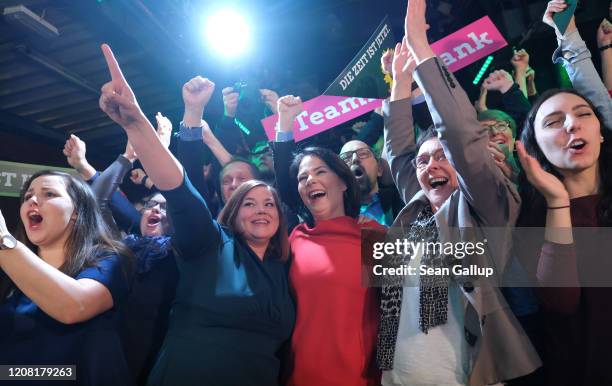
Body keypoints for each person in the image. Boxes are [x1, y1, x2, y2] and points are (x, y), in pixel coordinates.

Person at [97, 44, 295, 386]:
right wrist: (137, 124)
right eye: (248, 203)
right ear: (231, 212)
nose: (261, 209)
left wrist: (285, 125)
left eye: (269, 204)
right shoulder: (210, 243)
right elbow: (179, 187)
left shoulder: (283, 266)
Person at [377, 1, 541, 385]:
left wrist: (421, 48)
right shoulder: (417, 213)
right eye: (422, 162)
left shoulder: (484, 209)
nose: (429, 167)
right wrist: (400, 84)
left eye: (441, 158)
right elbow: (398, 152)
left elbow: (460, 135)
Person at [273, 95, 386, 386]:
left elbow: (435, 286)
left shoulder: (373, 236)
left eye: (320, 171)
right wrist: (284, 124)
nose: (309, 180)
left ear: (343, 182)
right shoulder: (295, 238)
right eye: (302, 177)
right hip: (298, 379)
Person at [0, 170, 133, 386]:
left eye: (49, 194)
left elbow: (74, 306)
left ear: (77, 212)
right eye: (27, 197)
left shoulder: (106, 259)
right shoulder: (10, 267)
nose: (33, 199)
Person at [517, 86, 612, 385]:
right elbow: (561, 302)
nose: (572, 124)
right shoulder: (530, 222)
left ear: (600, 133)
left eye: (583, 114)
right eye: (554, 122)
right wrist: (558, 201)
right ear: (536, 150)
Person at [340, 140, 403, 226]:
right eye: (346, 158)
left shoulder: (402, 199)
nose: (355, 159)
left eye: (363, 154)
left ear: (379, 169)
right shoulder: (336, 214)